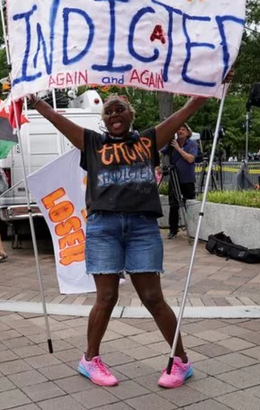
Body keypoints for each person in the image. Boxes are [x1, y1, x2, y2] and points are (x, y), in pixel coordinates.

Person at [27, 81, 220, 389]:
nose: (114, 114)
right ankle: (90, 360)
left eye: (120, 109)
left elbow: (187, 109)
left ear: (131, 114)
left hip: (142, 227)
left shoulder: (149, 139)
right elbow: (54, 116)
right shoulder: (91, 143)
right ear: (102, 120)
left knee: (153, 297)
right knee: (106, 297)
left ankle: (180, 361)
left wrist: (216, 82)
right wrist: (34, 100)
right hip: (104, 227)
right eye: (108, 111)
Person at [160, 124, 198, 239]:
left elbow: (190, 159)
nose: (180, 131)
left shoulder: (191, 144)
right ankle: (173, 230)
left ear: (187, 132)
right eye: (178, 129)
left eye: (183, 129)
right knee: (173, 205)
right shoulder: (172, 143)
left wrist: (178, 148)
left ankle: (192, 229)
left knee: (189, 204)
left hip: (187, 179)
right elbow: (161, 153)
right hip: (174, 178)